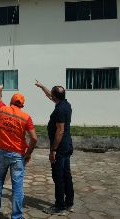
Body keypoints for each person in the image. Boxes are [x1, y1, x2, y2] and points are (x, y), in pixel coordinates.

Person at [0, 85, 38, 219]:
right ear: (22, 104)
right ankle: (17, 216)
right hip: (18, 155)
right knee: (17, 187)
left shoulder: (2, 109)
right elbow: (34, 137)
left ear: (11, 101)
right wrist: (28, 153)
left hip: (1, 153)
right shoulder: (26, 117)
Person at [35, 80, 74, 215]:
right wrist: (42, 87)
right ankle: (69, 203)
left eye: (52, 94)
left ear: (56, 97)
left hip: (60, 148)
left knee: (58, 176)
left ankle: (59, 206)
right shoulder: (65, 104)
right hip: (67, 146)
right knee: (66, 175)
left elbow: (60, 130)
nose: (50, 96)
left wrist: (53, 150)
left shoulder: (60, 109)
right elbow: (50, 96)